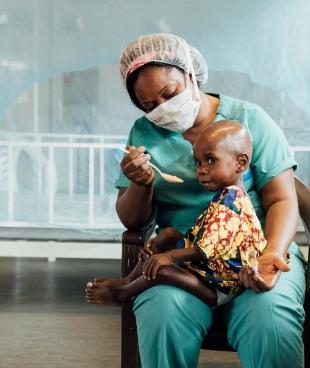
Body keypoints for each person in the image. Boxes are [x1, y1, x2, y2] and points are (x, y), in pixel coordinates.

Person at [89, 34, 306, 367]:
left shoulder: (250, 120)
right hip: (186, 258)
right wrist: (140, 183)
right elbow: (132, 221)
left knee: (270, 319)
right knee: (163, 314)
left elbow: (282, 199)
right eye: (149, 106)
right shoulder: (144, 133)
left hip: (257, 246)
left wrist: (272, 253)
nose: (162, 109)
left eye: (170, 94)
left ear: (190, 74)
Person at [86, 120, 268, 307]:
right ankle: (128, 280)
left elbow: (204, 251)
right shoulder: (226, 195)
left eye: (211, 160)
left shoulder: (231, 201)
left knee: (163, 269)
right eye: (198, 163)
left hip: (222, 285)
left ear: (241, 163)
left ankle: (124, 293)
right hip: (213, 267)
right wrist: (161, 245)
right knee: (167, 235)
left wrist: (169, 256)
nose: (202, 170)